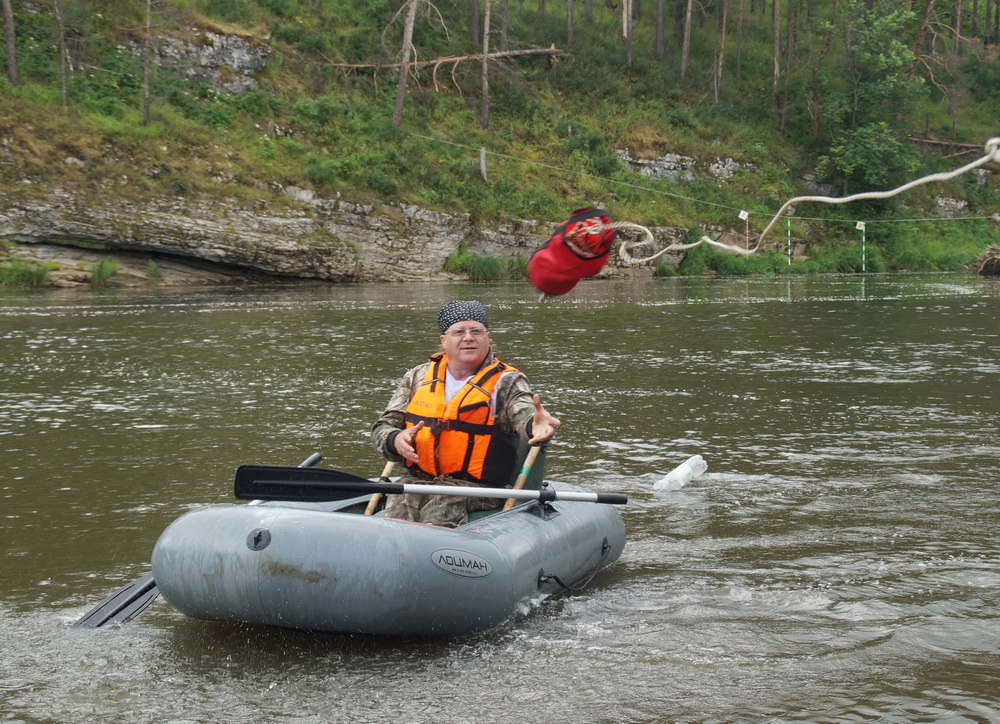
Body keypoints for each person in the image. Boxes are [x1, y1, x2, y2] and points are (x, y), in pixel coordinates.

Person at [371, 300, 560, 527]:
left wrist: (535, 426)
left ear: (487, 337)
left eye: (476, 331)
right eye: (459, 331)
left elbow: (525, 415)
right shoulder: (418, 376)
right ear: (444, 340)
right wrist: (395, 439)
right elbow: (382, 427)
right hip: (417, 481)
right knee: (394, 517)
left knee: (443, 506)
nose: (469, 337)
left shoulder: (507, 382)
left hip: (477, 488)